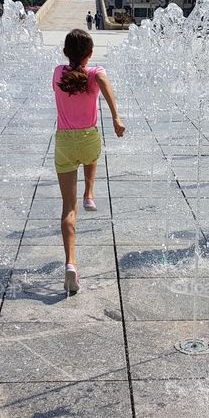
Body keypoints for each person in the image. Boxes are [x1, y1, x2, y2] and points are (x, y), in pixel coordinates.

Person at [53, 29, 126, 293]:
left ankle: (71, 263)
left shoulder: (58, 74)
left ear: (65, 53)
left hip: (64, 142)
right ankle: (90, 193)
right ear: (90, 54)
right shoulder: (95, 73)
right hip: (89, 139)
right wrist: (116, 117)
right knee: (93, 154)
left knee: (67, 210)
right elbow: (106, 87)